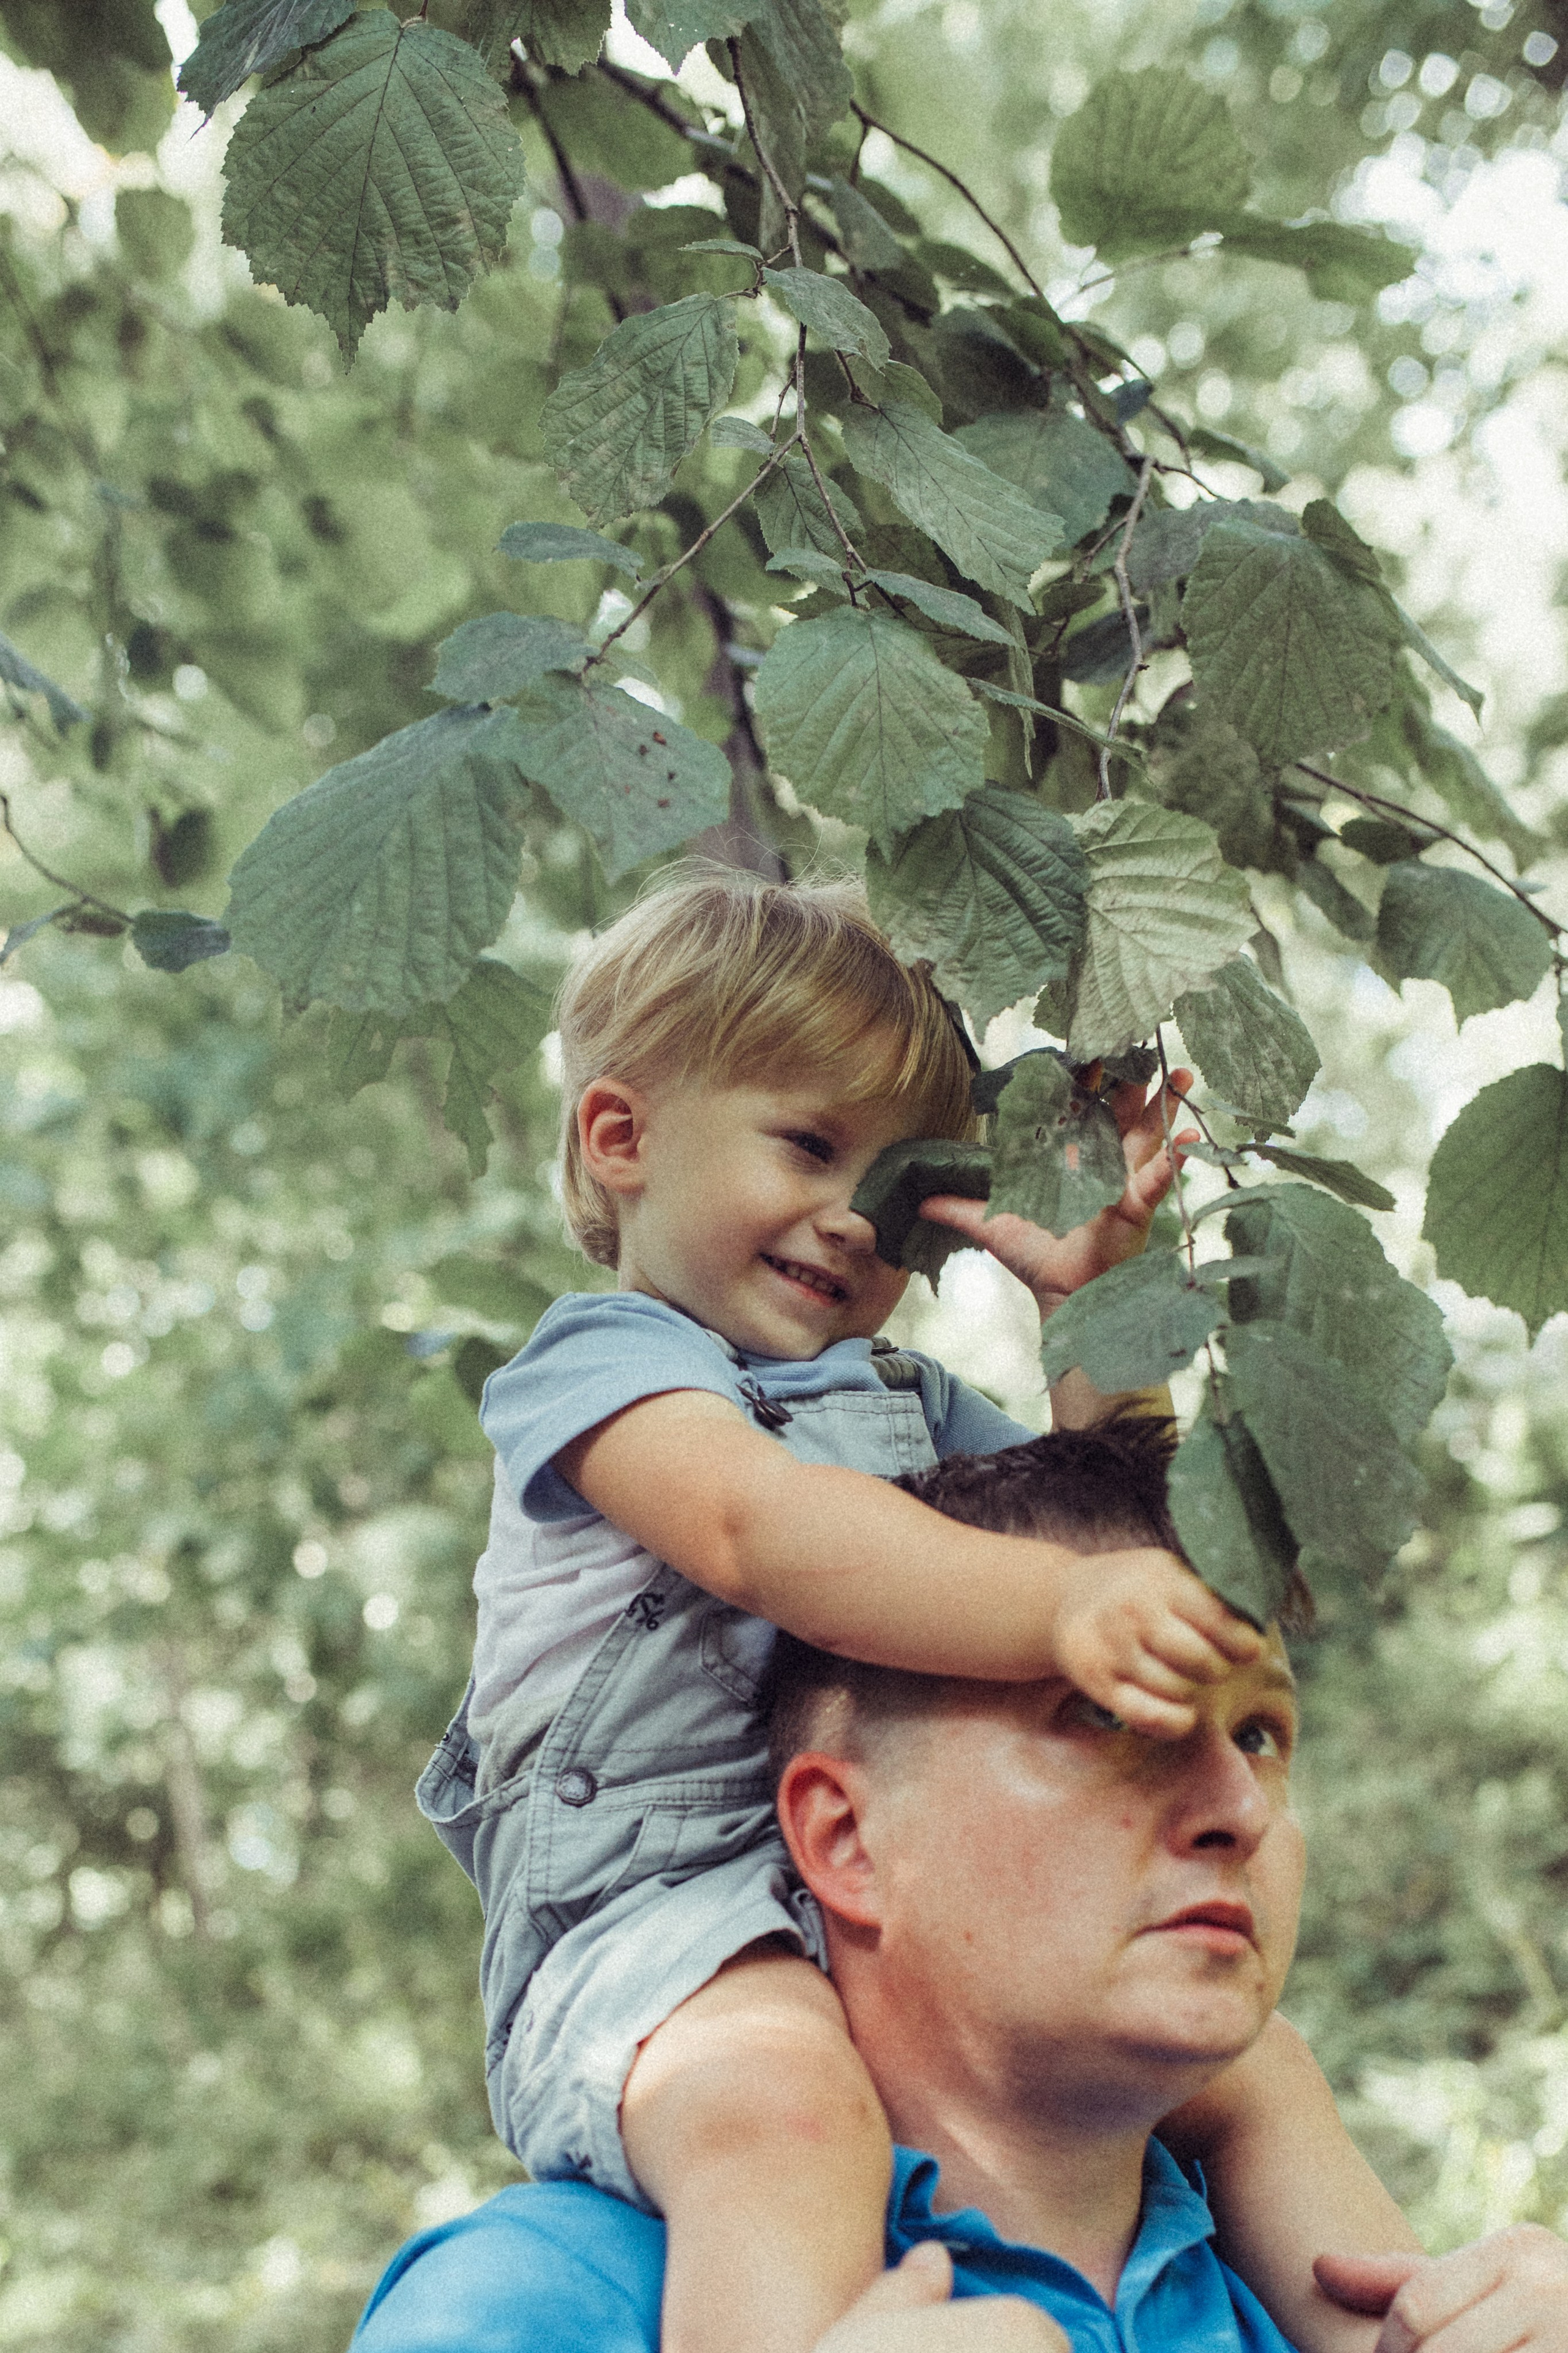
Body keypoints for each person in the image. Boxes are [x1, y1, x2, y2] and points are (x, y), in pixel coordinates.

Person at [415, 867, 1357, 2353]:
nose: (857, 1220)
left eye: (900, 1186)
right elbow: (760, 1530)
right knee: (782, 2109)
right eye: (808, 1145)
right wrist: (1061, 1604)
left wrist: (1089, 1313)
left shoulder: (905, 1402)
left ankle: (1411, 2319)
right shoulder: (601, 1367)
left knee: (1259, 2069)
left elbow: (1129, 1535)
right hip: (653, 1932)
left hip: (869, 1921)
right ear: (620, 1136)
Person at [356, 1423, 1568, 2352]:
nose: (1239, 1807)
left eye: (1259, 1736)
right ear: (846, 1840)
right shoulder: (543, 2296)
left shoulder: (1359, 2306)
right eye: (1109, 1714)